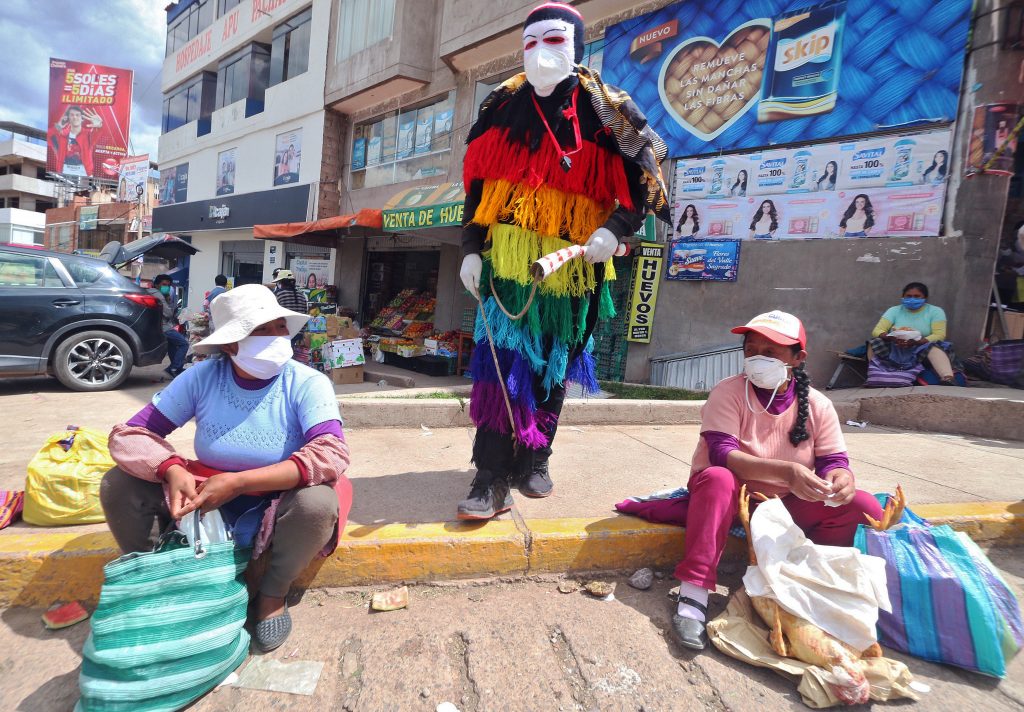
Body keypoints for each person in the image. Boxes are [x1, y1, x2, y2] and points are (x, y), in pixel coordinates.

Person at [457, 2, 670, 517]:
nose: (539, 52)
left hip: (574, 266)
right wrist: (469, 249)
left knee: (555, 363)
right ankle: (489, 474)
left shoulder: (607, 110)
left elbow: (643, 186)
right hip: (507, 266)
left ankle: (535, 459)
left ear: (576, 46)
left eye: (552, 40)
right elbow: (477, 189)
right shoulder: (500, 107)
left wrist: (613, 229)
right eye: (530, 42)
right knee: (500, 364)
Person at [100, 284, 352, 652]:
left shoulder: (307, 382)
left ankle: (272, 595)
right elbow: (130, 435)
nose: (277, 336)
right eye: (262, 330)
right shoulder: (203, 377)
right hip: (206, 494)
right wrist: (171, 468)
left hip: (277, 500)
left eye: (280, 327)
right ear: (231, 344)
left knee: (317, 504)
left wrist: (239, 483)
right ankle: (157, 578)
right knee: (119, 484)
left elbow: (331, 452)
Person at [667, 311, 884, 650]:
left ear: (798, 358)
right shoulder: (728, 392)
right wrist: (786, 472)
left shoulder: (819, 406)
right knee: (718, 478)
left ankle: (804, 583)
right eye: (751, 350)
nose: (757, 359)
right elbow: (722, 454)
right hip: (729, 500)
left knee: (862, 505)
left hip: (784, 505)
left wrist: (841, 480)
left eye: (770, 352)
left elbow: (834, 462)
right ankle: (693, 593)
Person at [868, 281, 960, 384]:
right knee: (874, 343)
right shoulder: (894, 310)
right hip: (896, 346)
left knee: (933, 348)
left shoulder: (935, 311)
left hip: (922, 347)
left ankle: (947, 377)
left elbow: (939, 335)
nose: (912, 299)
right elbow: (877, 331)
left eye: (917, 296)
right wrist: (891, 337)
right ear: (903, 297)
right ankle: (875, 373)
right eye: (908, 296)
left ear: (925, 298)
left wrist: (917, 342)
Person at [50, 105, 103, 177]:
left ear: (82, 118)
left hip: (84, 173)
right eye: (72, 115)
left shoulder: (88, 134)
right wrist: (59, 125)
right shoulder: (62, 134)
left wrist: (99, 126)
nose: (75, 117)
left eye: (77, 115)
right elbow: (49, 136)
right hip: (64, 171)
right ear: (68, 118)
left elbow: (97, 134)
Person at [153, 274, 187, 379]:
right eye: (164, 284)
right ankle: (174, 368)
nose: (166, 287)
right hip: (164, 327)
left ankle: (173, 369)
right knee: (184, 344)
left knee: (172, 345)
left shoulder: (158, 294)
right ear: (156, 285)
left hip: (161, 325)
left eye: (168, 285)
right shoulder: (158, 295)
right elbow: (168, 313)